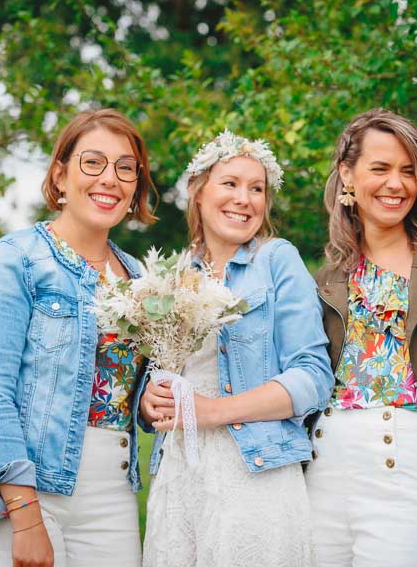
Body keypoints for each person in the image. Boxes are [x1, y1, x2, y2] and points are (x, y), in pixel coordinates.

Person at [0, 109, 157, 567]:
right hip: (22, 490)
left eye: (126, 168)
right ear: (60, 175)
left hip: (112, 496)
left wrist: (148, 401)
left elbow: (124, 392)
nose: (111, 179)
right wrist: (24, 518)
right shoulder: (16, 261)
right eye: (93, 163)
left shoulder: (141, 278)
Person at [139, 130, 334, 567]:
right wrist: (150, 404)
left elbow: (313, 377)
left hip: (255, 467)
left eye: (257, 188)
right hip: (180, 469)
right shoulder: (171, 274)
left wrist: (212, 412)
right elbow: (161, 372)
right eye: (230, 183)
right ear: (198, 191)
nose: (244, 199)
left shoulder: (276, 260)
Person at [308, 108, 417, 567]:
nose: (396, 184)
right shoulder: (327, 276)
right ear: (347, 175)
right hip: (324, 464)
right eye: (381, 168)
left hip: (410, 460)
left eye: (408, 172)